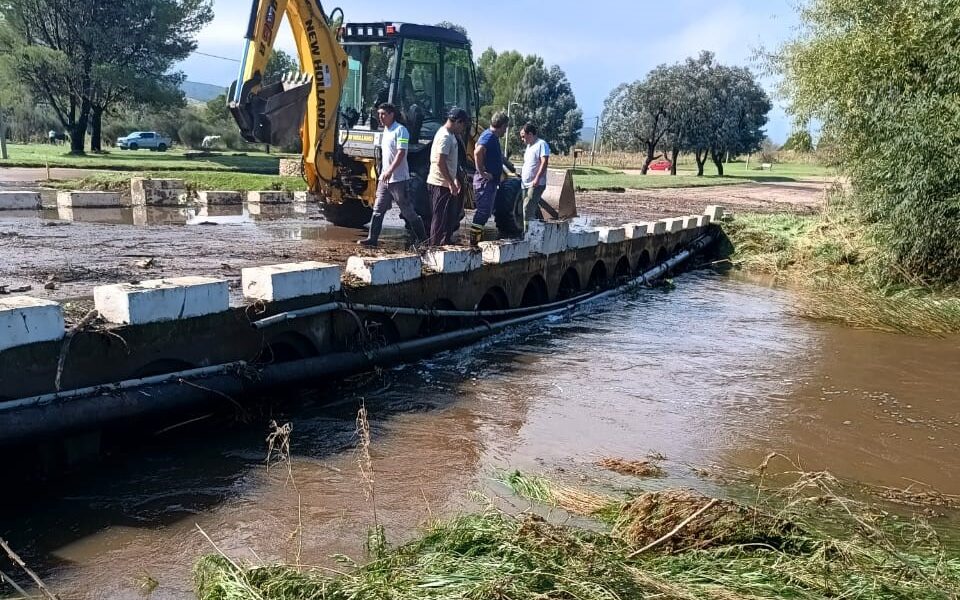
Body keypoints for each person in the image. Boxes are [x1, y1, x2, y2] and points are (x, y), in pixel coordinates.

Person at [358, 103, 427, 247]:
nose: (380, 117)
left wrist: (390, 170)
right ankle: (372, 239)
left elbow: (401, 153)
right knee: (378, 209)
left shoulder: (401, 131)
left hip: (399, 179)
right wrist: (384, 172)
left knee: (407, 210)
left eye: (383, 114)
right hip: (385, 179)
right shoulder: (386, 131)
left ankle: (423, 238)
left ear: (391, 114)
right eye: (379, 114)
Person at [426, 107, 470, 246]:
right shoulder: (444, 136)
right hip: (439, 183)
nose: (463, 129)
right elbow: (440, 162)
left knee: (448, 217)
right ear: (457, 122)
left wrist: (455, 179)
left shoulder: (451, 136)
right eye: (463, 125)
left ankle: (444, 243)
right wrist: (450, 182)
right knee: (439, 217)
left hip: (447, 182)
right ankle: (435, 246)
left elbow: (451, 163)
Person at [469, 111, 510, 245]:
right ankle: (474, 242)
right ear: (502, 125)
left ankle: (477, 240)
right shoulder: (489, 136)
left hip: (489, 181)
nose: (505, 131)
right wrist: (482, 172)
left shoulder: (490, 136)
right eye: (506, 127)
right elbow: (478, 151)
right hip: (485, 181)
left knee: (485, 212)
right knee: (483, 212)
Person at [519, 122, 550, 230]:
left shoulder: (541, 144)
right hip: (525, 184)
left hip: (536, 183)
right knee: (531, 207)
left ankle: (527, 233)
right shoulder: (529, 146)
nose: (522, 140)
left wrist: (537, 178)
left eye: (523, 137)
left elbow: (544, 162)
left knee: (527, 208)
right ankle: (539, 227)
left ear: (530, 134)